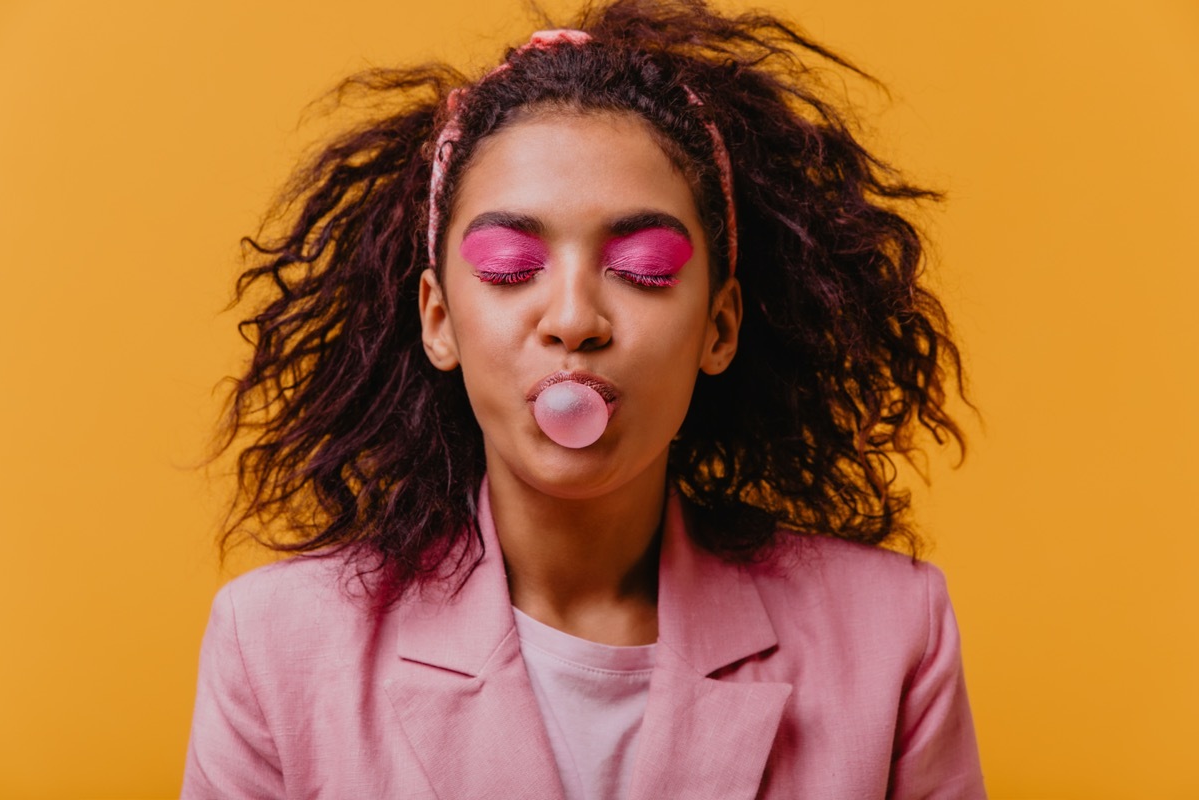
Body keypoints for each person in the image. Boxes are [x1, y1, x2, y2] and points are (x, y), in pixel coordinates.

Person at [182, 1, 985, 797]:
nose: (573, 319)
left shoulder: (895, 636)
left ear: (720, 326)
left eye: (640, 268)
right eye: (507, 267)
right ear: (438, 321)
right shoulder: (272, 646)